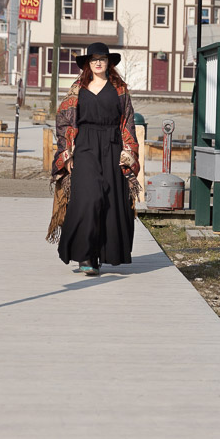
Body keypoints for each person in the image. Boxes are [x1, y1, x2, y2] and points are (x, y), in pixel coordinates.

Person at [48, 42, 141, 275]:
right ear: (88, 64)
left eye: (102, 58)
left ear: (109, 62)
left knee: (110, 201)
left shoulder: (120, 89)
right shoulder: (77, 88)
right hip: (86, 146)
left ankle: (101, 254)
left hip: (112, 146)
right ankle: (85, 256)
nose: (98, 63)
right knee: (89, 198)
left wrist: (128, 153)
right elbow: (63, 122)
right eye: (93, 59)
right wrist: (67, 155)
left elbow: (128, 122)